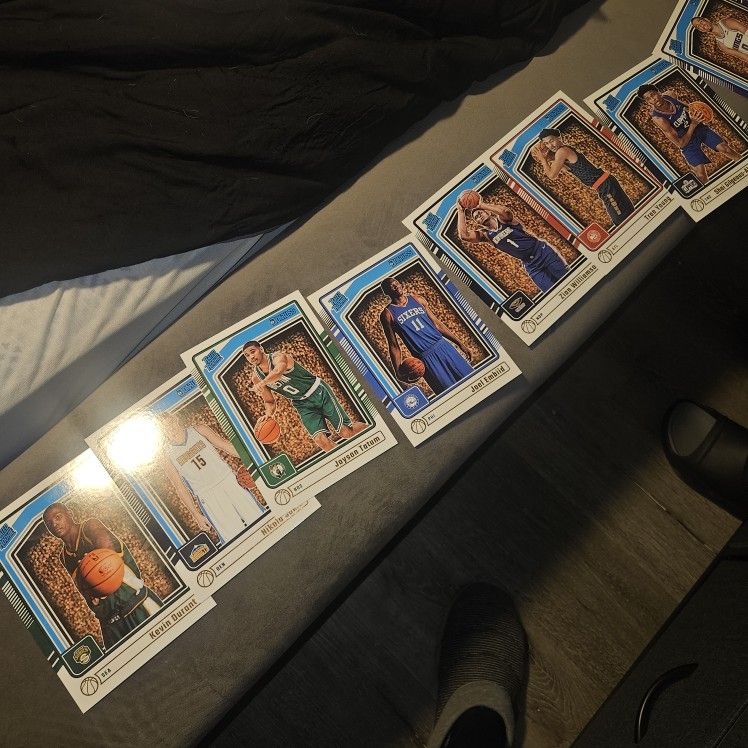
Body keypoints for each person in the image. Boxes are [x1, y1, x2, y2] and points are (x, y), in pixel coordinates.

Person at [42, 502, 163, 650]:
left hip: (136, 605)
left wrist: (90, 568)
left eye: (57, 517)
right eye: (49, 523)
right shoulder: (64, 557)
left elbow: (107, 555)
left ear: (69, 514)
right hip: (110, 624)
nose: (54, 524)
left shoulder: (90, 527)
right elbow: (84, 589)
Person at [160, 413, 268, 545]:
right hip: (207, 495)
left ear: (176, 418)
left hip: (228, 479)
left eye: (170, 422)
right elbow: (180, 488)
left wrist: (254, 459)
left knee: (259, 519)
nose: (170, 428)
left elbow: (226, 446)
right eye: (165, 426)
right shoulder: (166, 456)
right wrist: (196, 514)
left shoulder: (199, 430)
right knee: (234, 538)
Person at [243, 340, 367, 453]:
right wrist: (268, 414)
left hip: (318, 391)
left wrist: (263, 383)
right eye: (247, 355)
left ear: (261, 349)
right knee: (321, 441)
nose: (251, 357)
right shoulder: (256, 377)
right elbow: (269, 401)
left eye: (253, 352)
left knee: (345, 432)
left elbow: (278, 371)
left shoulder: (278, 357)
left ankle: (370, 428)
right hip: (302, 403)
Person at [379, 277, 473, 395]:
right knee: (449, 393)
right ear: (387, 292)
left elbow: (437, 325)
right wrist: (397, 370)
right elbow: (393, 345)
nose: (396, 286)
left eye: (397, 283)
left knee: (470, 379)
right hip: (425, 358)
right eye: (392, 286)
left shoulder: (418, 299)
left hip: (443, 347)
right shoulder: (387, 314)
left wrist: (460, 344)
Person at [456, 196, 568, 293]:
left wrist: (482, 205)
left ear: (488, 212)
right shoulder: (486, 235)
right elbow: (464, 235)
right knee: (551, 292)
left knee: (566, 279)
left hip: (542, 251)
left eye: (480, 213)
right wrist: (460, 212)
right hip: (531, 265)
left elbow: (506, 211)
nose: (479, 216)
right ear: (478, 223)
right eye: (476, 217)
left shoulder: (503, 220)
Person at [637, 84, 741, 184]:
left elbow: (687, 106)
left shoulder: (670, 95)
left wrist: (697, 111)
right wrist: (693, 124)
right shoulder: (659, 118)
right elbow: (680, 143)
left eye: (653, 95)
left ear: (658, 92)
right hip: (686, 140)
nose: (653, 99)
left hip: (699, 129)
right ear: (648, 102)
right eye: (648, 99)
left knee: (725, 149)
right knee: (701, 175)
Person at [533, 127, 635, 227]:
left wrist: (542, 159)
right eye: (546, 143)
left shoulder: (562, 151)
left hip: (605, 186)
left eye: (551, 141)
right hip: (605, 184)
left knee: (621, 220)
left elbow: (551, 175)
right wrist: (546, 157)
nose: (550, 145)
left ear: (558, 138)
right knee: (628, 214)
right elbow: (558, 167)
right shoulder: (563, 153)